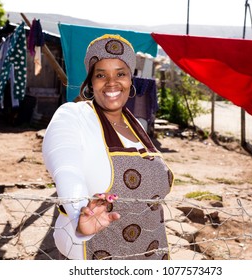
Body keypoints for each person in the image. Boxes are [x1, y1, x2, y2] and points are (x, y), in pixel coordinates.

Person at [42, 34, 174, 260]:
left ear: (130, 80)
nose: (112, 82)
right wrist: (78, 216)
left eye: (120, 74)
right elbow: (67, 172)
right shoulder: (73, 116)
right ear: (91, 83)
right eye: (101, 75)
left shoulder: (138, 127)